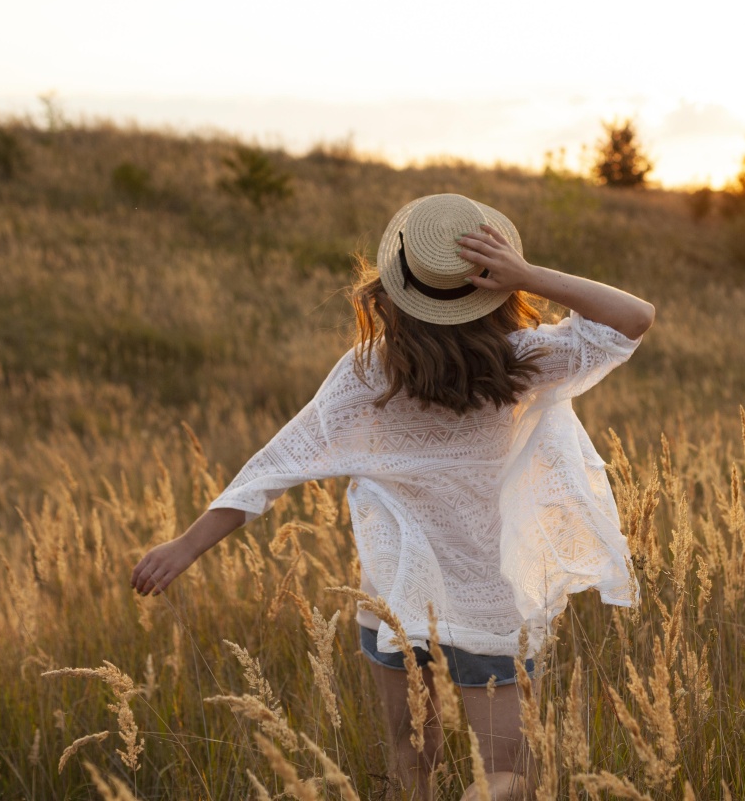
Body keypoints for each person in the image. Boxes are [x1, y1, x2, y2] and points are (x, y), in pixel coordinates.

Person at [131, 193, 654, 800]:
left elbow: (274, 467)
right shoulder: (528, 360)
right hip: (493, 606)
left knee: (411, 769)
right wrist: (528, 276)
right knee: (508, 779)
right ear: (494, 290)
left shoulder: (368, 374)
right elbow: (632, 317)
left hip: (396, 600)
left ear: (393, 288)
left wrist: (186, 546)